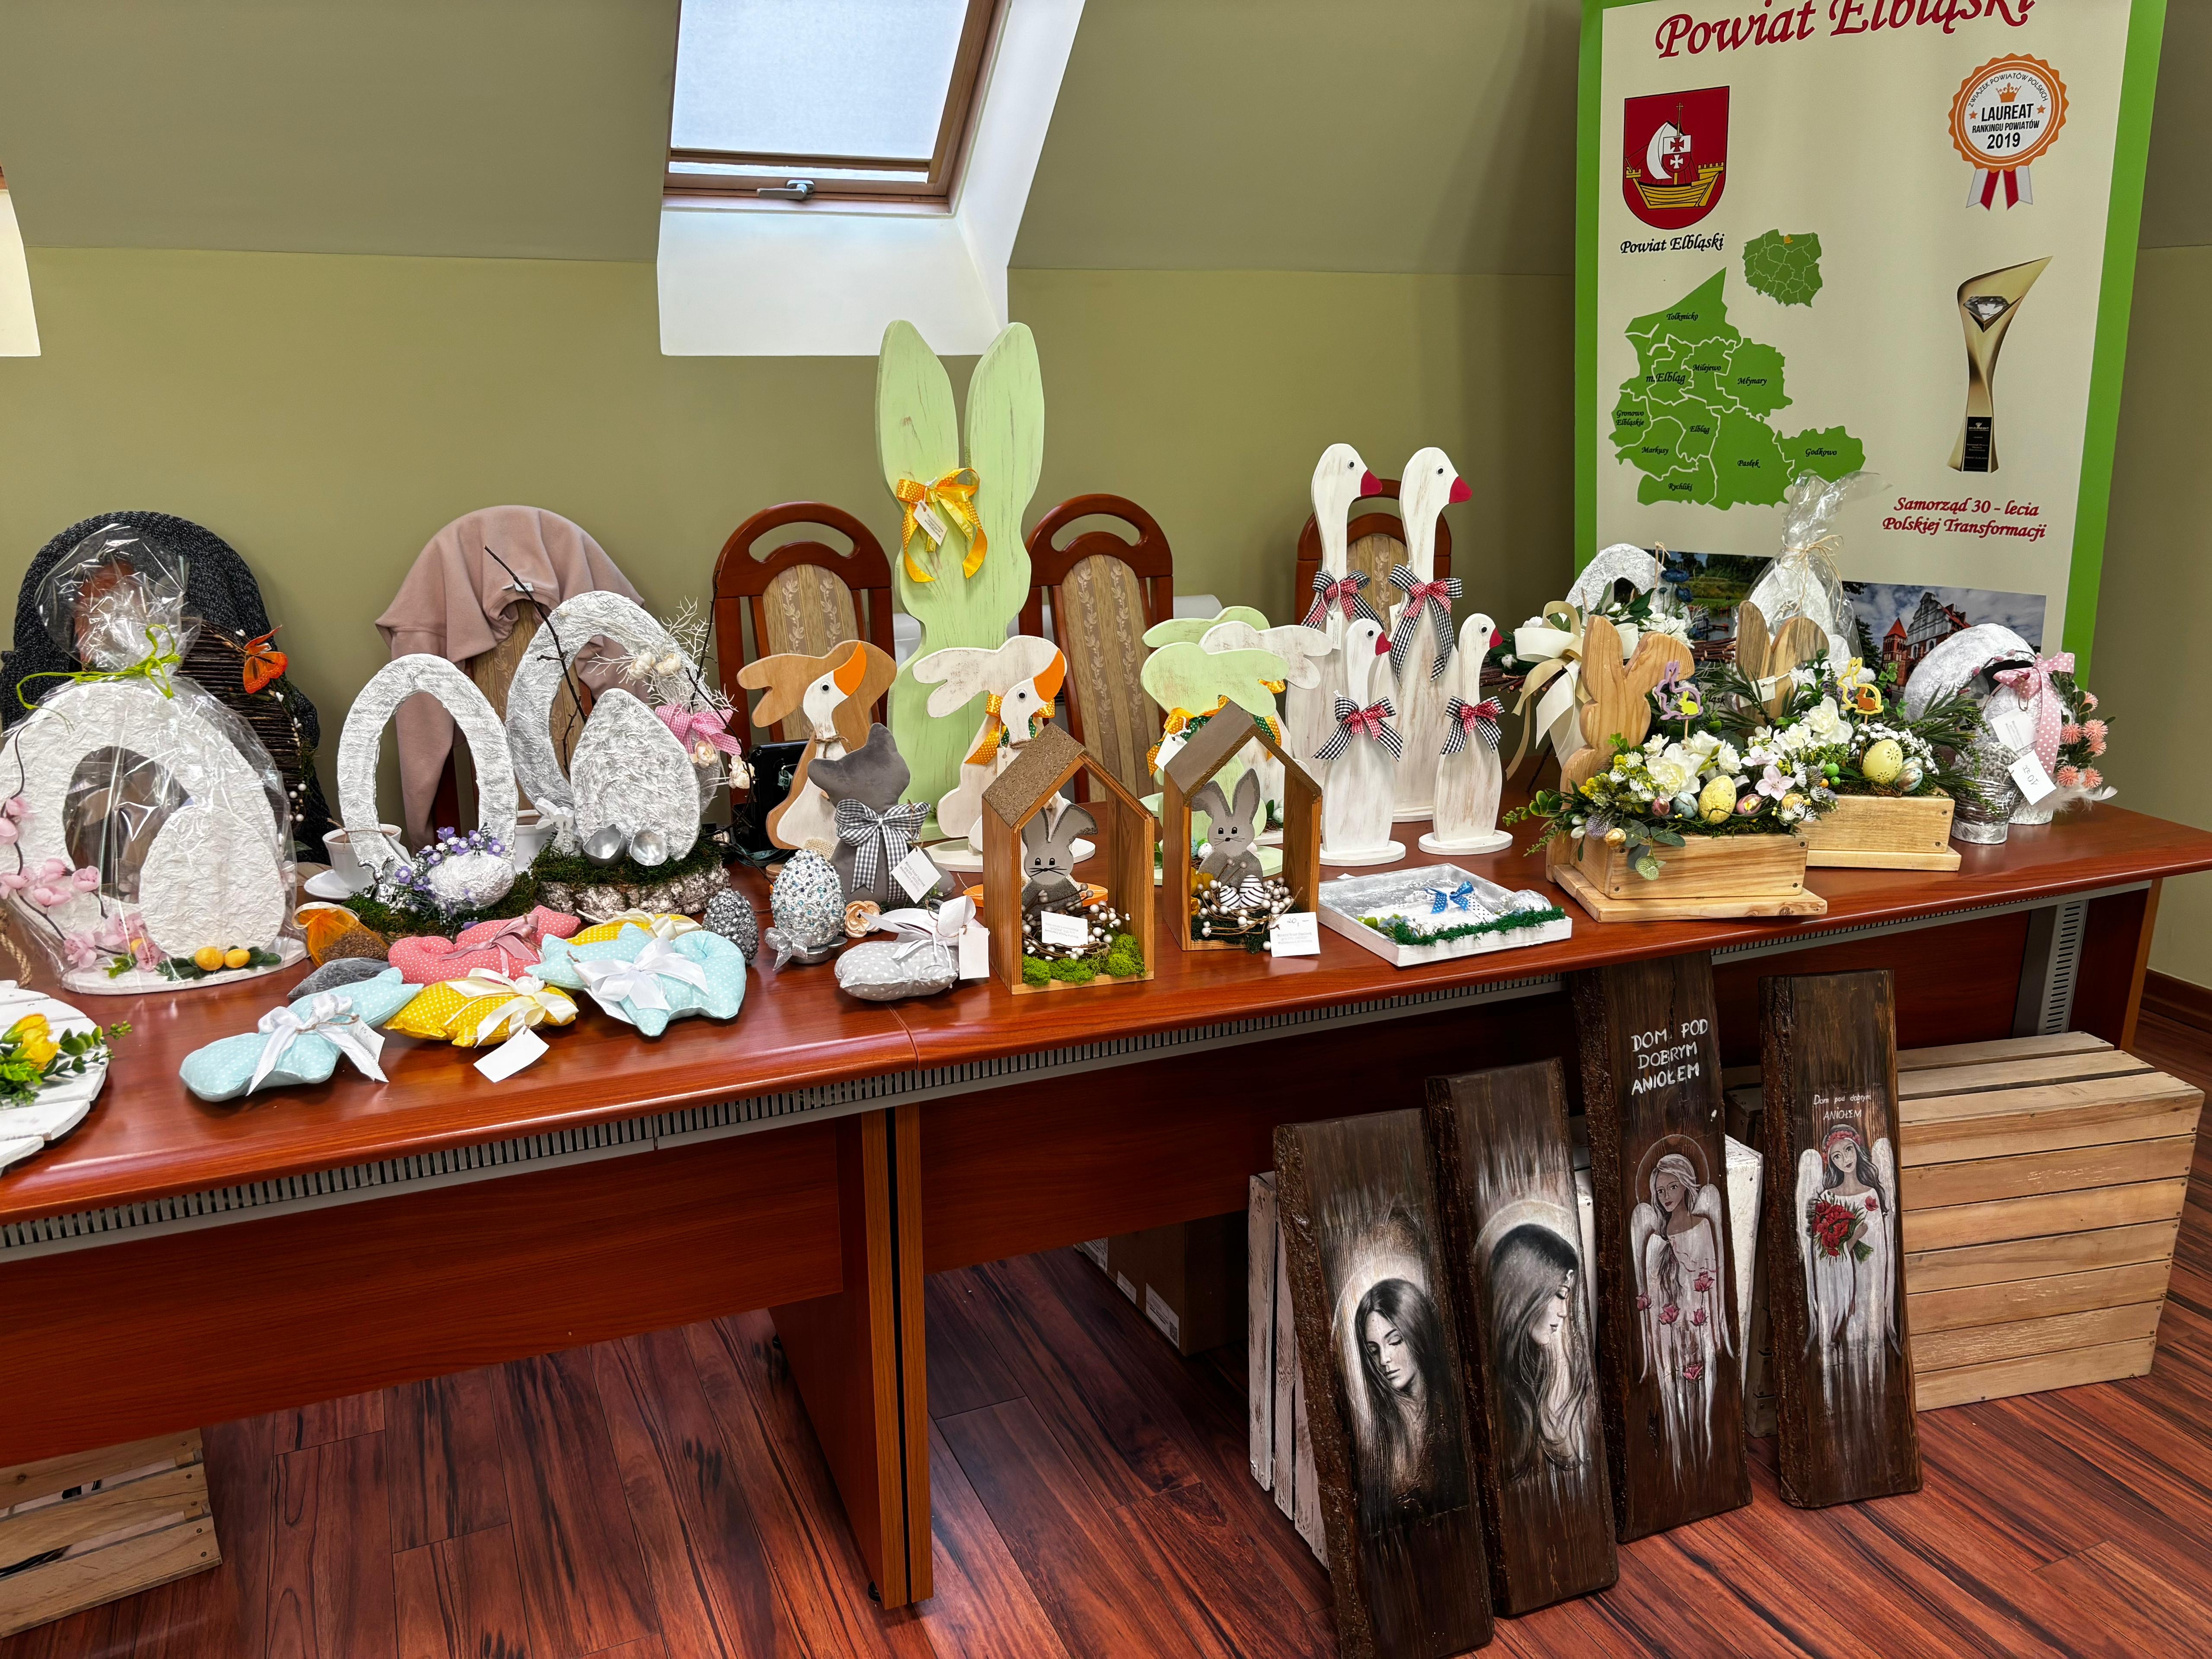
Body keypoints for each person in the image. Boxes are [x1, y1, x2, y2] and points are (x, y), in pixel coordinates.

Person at [1352, 1276, 1468, 1532]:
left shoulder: (1455, 1416)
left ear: (1418, 1333)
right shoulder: (1380, 1439)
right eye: (1374, 1350)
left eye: (1395, 1341)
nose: (1384, 1359)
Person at [1488, 1224, 1594, 1478]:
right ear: (1526, 1292)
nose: (1564, 1312)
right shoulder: (1495, 1386)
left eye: (1567, 1298)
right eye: (1560, 1295)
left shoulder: (1536, 1367)